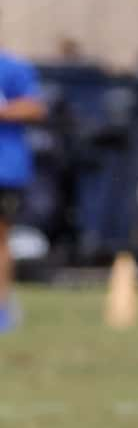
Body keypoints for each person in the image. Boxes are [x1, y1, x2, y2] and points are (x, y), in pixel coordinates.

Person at [0, 22, 46, 336]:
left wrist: (4, 111)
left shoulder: (13, 68)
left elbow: (35, 107)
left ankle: (2, 310)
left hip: (5, 169)